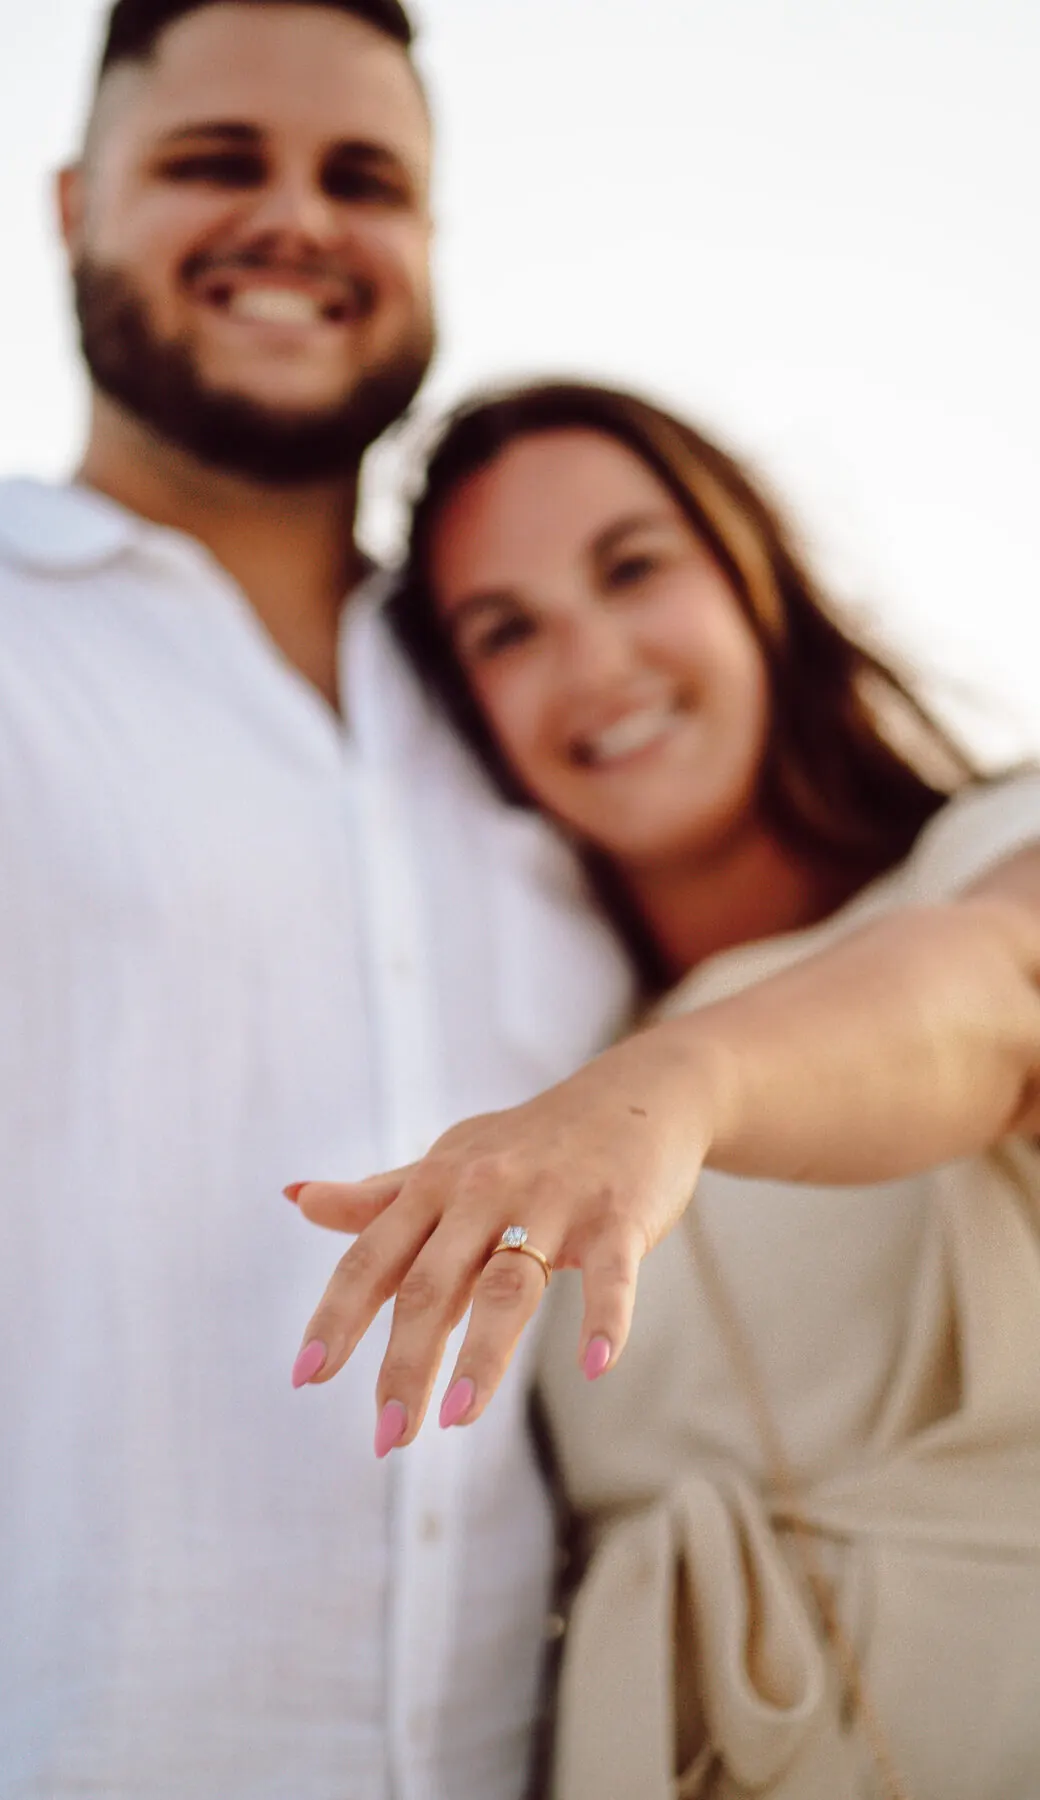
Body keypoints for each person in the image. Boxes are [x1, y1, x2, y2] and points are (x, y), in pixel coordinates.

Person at [0, 14, 635, 1798]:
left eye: (366, 180)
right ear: (73, 207)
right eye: (216, 161)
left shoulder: (537, 713)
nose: (295, 219)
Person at [294, 382, 1040, 1798]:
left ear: (753, 575)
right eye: (506, 632)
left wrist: (678, 1087)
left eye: (633, 568)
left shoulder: (992, 856)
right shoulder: (527, 1091)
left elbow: (1001, 996)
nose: (594, 663)